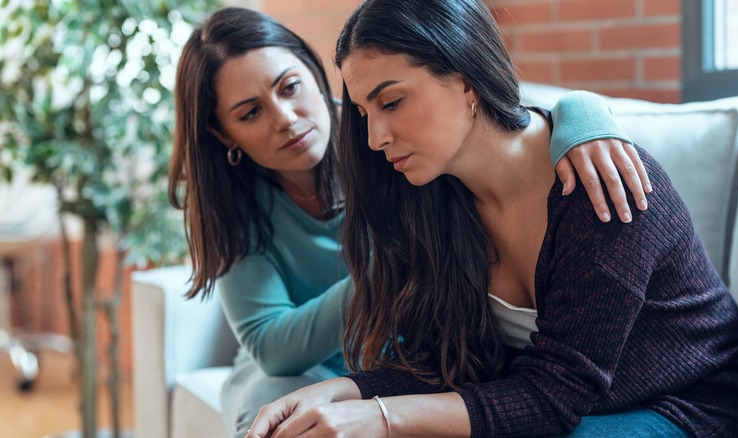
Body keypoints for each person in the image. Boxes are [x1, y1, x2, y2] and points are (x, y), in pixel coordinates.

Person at [245, 0, 738, 437]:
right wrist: (343, 390)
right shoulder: (438, 201)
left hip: (692, 406)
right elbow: (446, 370)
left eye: (394, 102)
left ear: (466, 79)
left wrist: (380, 417)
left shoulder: (599, 186)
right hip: (582, 409)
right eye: (364, 113)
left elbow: (554, 395)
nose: (376, 136)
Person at [169, 6, 654, 438]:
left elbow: (494, 109)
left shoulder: (393, 140)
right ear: (222, 132)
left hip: (403, 353)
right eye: (251, 112)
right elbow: (272, 348)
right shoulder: (242, 201)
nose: (286, 118)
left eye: (290, 87)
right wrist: (395, 270)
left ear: (313, 72)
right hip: (329, 365)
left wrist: (584, 113)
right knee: (271, 405)